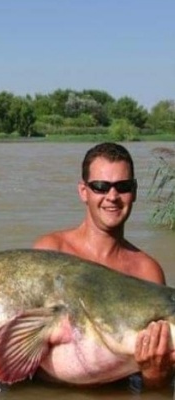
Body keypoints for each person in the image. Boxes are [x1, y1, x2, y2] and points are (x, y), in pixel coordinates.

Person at [33, 142, 175, 389]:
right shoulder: (51, 250)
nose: (112, 197)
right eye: (100, 186)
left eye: (123, 187)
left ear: (135, 191)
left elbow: (153, 388)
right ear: (83, 191)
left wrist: (155, 374)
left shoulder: (147, 271)